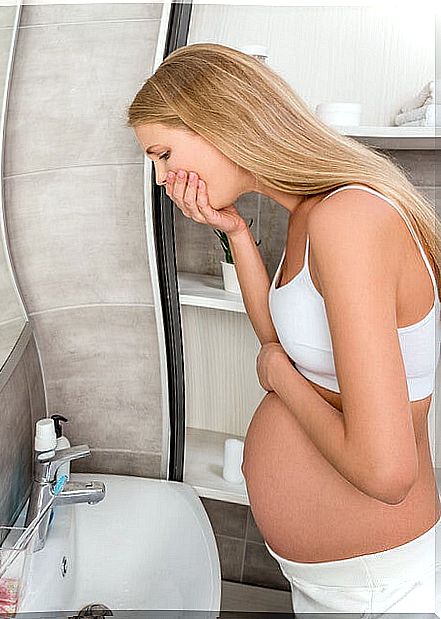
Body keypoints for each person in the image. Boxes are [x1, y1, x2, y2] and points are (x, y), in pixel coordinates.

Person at [129, 43, 441, 614]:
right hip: (343, 582)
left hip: (379, 591)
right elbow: (280, 343)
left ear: (219, 121)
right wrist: (238, 235)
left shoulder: (347, 219)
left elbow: (388, 473)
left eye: (164, 153)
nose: (163, 177)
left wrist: (281, 380)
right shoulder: (311, 215)